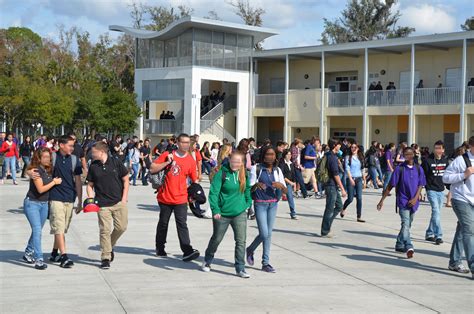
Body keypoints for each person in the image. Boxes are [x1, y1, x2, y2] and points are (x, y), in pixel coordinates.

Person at [32, 135, 82, 268]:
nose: (73, 147)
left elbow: (78, 180)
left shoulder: (74, 159)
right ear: (61, 145)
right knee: (58, 227)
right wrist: (29, 173)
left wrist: (80, 201)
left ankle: (54, 253)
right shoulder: (52, 157)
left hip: (70, 198)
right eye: (70, 145)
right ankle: (64, 257)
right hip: (55, 197)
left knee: (62, 229)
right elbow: (36, 166)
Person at [150, 133, 200, 262]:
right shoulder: (168, 155)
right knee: (163, 224)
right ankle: (160, 248)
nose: (186, 145)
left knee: (182, 224)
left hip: (181, 198)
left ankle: (187, 250)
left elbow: (194, 180)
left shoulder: (190, 159)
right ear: (177, 143)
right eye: (183, 142)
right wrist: (167, 162)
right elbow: (152, 168)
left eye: (188, 142)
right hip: (165, 197)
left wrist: (194, 195)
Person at [202, 152, 252, 278]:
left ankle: (240, 268)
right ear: (229, 160)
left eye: (237, 162)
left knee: (241, 241)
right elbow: (213, 193)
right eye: (233, 161)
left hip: (239, 213)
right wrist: (216, 210)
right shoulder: (222, 173)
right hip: (222, 214)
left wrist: (247, 204)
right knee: (216, 239)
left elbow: (247, 190)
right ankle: (207, 260)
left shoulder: (244, 174)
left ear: (242, 163)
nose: (234, 164)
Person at [377, 147, 426, 259]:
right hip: (403, 200)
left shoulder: (419, 168)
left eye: (410, 154)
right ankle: (409, 246)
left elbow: (421, 184)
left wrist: (415, 198)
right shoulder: (399, 169)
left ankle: (399, 243)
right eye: (405, 154)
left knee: (408, 224)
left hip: (414, 201)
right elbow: (390, 185)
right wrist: (382, 200)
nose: (408, 156)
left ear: (413, 154)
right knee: (405, 223)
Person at [86, 142, 129, 269]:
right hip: (102, 204)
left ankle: (108, 246)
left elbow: (126, 179)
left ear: (101, 152)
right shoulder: (93, 166)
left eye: (93, 152)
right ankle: (105, 257)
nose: (91, 155)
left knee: (121, 227)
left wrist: (124, 198)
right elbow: (90, 185)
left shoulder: (116, 162)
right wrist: (90, 198)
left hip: (118, 202)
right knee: (104, 230)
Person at [246, 146, 287, 273]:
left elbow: (285, 190)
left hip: (273, 205)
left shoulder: (277, 170)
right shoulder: (256, 169)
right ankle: (250, 249)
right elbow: (249, 187)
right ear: (263, 155)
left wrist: (281, 186)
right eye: (268, 154)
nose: (271, 157)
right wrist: (256, 185)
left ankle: (265, 262)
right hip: (260, 204)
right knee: (264, 233)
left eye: (273, 154)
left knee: (268, 234)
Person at [22, 148, 62, 270]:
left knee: (36, 231)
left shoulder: (49, 169)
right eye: (44, 157)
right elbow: (41, 189)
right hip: (32, 204)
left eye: (48, 157)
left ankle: (28, 252)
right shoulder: (36, 170)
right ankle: (39, 259)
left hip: (44, 205)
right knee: (38, 230)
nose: (47, 159)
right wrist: (54, 182)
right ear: (38, 158)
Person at [443, 136, 474, 278]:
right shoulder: (461, 160)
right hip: (461, 199)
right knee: (469, 231)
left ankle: (454, 262)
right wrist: (464, 174)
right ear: (471, 147)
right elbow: (446, 178)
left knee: (462, 231)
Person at [421, 140, 448, 245]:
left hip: (441, 190)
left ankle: (429, 233)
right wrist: (422, 189)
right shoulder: (427, 161)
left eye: (440, 148)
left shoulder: (445, 161)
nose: (438, 150)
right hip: (431, 189)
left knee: (436, 213)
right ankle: (438, 235)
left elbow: (447, 176)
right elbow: (422, 176)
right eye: (436, 148)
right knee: (436, 211)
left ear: (443, 149)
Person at [320, 139, 347, 237]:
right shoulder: (331, 157)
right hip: (331, 185)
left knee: (339, 206)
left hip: (332, 185)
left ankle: (327, 225)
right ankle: (325, 231)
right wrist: (343, 189)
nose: (340, 146)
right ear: (335, 146)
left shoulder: (329, 155)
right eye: (339, 145)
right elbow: (336, 175)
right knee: (329, 208)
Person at [340, 143, 365, 222]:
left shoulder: (360, 157)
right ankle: (343, 208)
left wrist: (364, 180)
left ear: (358, 149)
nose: (353, 149)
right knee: (350, 198)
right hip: (350, 178)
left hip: (359, 178)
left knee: (359, 198)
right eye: (352, 147)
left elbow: (362, 169)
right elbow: (347, 169)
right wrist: (350, 179)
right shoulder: (348, 157)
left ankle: (359, 216)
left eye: (355, 147)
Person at [279, 149, 298, 219]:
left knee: (290, 197)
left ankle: (293, 213)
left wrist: (294, 184)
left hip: (288, 184)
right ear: (284, 155)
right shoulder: (282, 164)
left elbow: (293, 174)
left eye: (290, 154)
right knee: (276, 198)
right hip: (281, 184)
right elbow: (282, 175)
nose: (289, 156)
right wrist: (290, 182)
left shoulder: (291, 163)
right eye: (288, 154)